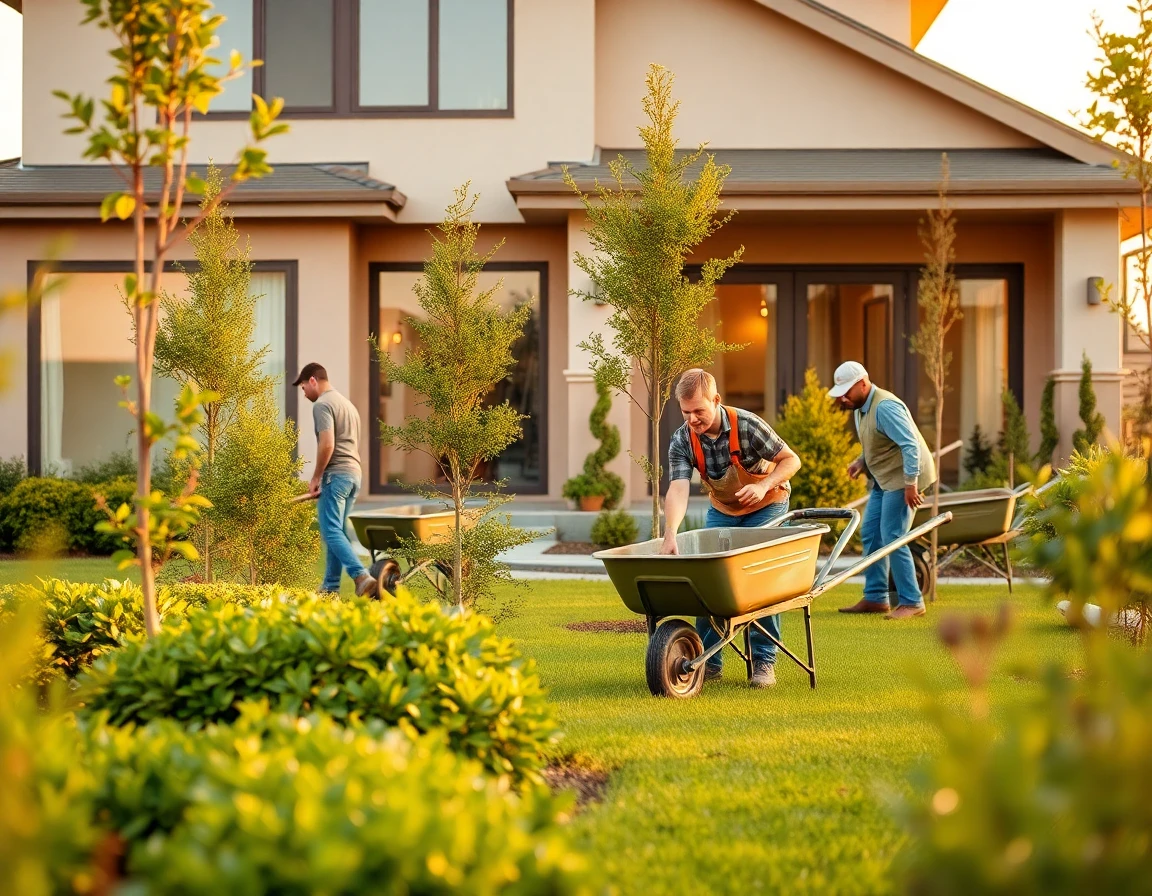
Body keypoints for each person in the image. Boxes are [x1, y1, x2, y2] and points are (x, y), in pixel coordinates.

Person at [660, 369, 802, 688]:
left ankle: (763, 662)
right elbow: (679, 488)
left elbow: (791, 460)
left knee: (759, 580)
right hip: (724, 510)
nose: (693, 419)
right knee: (709, 581)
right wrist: (670, 532)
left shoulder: (747, 424)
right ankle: (708, 660)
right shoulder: (682, 439)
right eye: (686, 412)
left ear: (716, 400)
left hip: (767, 504)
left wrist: (764, 485)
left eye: (700, 411)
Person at [827, 361, 935, 620]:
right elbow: (877, 439)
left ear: (863, 383)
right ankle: (876, 597)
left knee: (893, 536)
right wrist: (861, 462)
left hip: (905, 479)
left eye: (847, 391)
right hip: (883, 479)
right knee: (871, 534)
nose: (843, 397)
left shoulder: (885, 406)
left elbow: (910, 446)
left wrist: (911, 485)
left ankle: (912, 601)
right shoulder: (860, 407)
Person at [293, 362, 378, 598]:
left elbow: (328, 444)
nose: (304, 393)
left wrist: (317, 476)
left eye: (303, 387)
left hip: (336, 475)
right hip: (354, 475)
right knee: (337, 531)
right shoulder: (348, 405)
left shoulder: (322, 404)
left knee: (330, 530)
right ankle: (330, 588)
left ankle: (360, 576)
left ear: (312, 380)